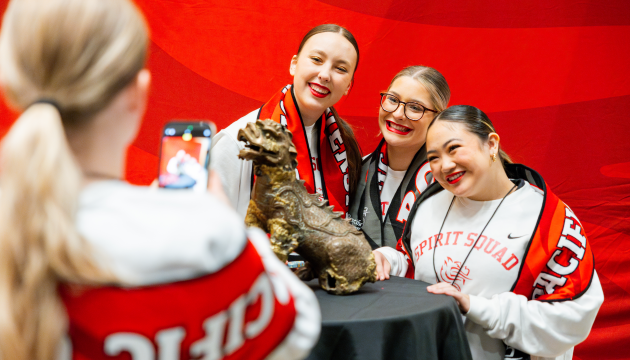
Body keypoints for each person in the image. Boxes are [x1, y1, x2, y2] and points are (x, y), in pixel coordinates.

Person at [0, 1, 320, 359]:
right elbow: (297, 328)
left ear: (8, 83)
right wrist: (230, 224)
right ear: (138, 93)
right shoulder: (207, 240)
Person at [372, 105, 603, 360]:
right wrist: (388, 260)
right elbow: (413, 264)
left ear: (491, 144)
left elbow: (573, 317)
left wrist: (476, 307)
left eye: (454, 148)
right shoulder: (426, 204)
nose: (445, 165)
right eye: (433, 157)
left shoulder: (549, 219)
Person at [210, 24, 362, 219]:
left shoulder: (344, 148)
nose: (325, 75)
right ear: (294, 64)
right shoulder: (241, 141)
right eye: (316, 59)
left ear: (348, 86)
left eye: (340, 68)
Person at [349, 66, 450, 249]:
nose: (397, 114)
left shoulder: (446, 182)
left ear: (438, 117)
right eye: (392, 99)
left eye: (414, 107)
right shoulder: (355, 170)